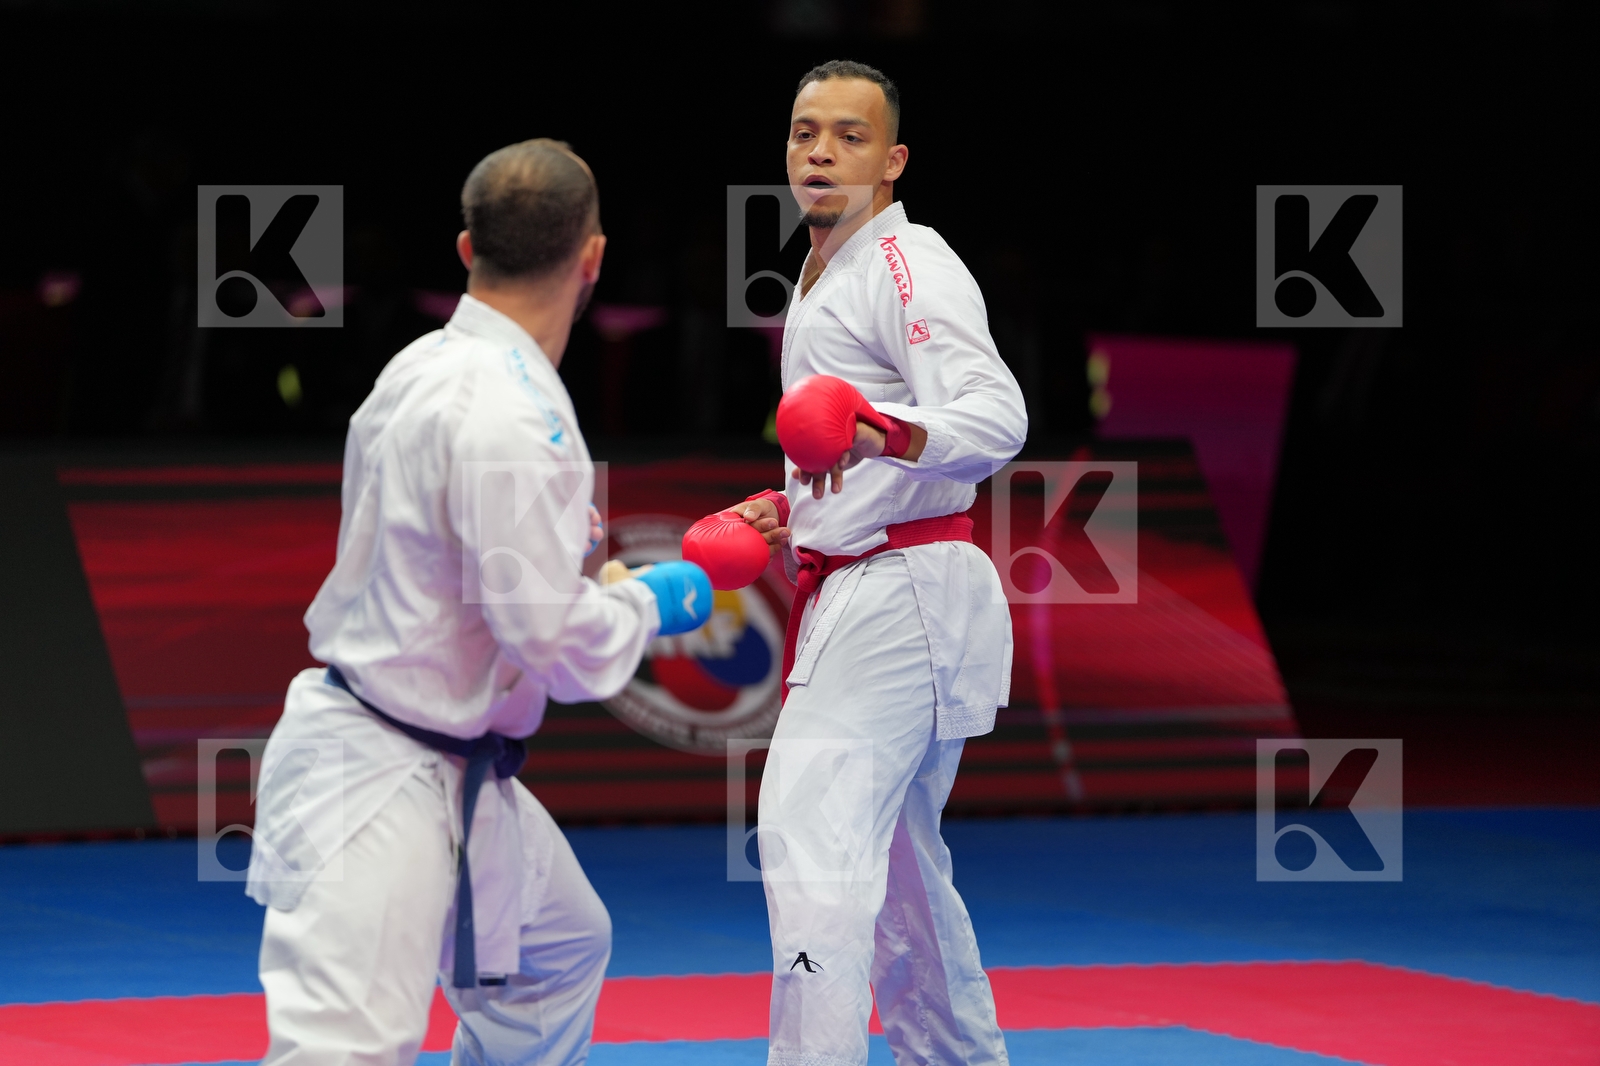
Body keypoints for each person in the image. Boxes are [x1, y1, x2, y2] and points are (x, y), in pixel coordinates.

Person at [244, 139, 712, 1066]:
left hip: (453, 761)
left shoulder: (421, 366)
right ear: (593, 259)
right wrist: (650, 605)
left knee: (559, 949)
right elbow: (557, 646)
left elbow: (477, 581)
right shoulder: (509, 412)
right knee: (344, 1051)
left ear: (466, 250)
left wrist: (595, 591)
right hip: (374, 774)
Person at [721, 60, 1028, 1066]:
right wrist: (785, 506)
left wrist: (880, 437)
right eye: (806, 131)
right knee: (896, 864)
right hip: (869, 576)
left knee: (809, 837)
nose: (821, 150)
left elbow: (994, 417)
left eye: (850, 136)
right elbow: (850, 440)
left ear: (892, 160)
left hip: (903, 589)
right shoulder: (826, 273)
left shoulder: (910, 264)